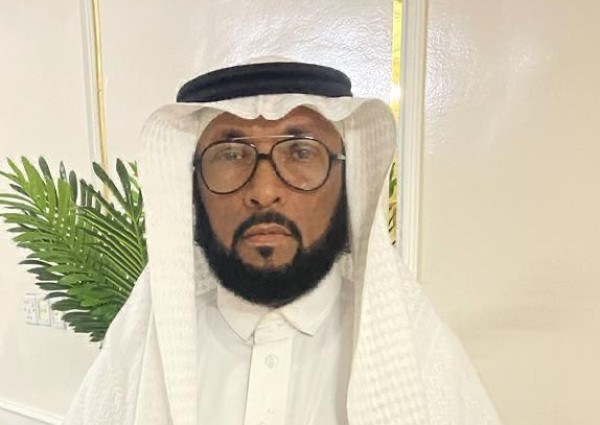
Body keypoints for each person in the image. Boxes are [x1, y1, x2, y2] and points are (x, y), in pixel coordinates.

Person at [63, 58, 502, 425]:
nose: (265, 190)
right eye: (230, 155)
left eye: (301, 151)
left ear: (346, 179)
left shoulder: (416, 350)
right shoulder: (142, 349)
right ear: (192, 188)